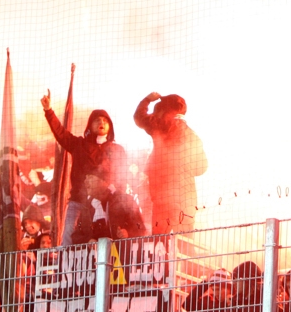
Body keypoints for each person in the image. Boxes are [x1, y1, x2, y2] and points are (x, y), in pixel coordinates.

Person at [42, 91, 126, 246]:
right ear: (90, 125)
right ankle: (65, 266)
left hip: (106, 203)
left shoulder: (117, 150)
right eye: (97, 120)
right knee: (69, 233)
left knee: (109, 235)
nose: (101, 122)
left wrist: (116, 196)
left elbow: (123, 176)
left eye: (105, 120)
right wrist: (49, 111)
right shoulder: (79, 145)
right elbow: (61, 134)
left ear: (110, 126)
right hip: (78, 202)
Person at [133, 92, 207, 234]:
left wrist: (147, 100)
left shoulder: (161, 125)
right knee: (184, 244)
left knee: (160, 242)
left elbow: (139, 118)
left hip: (163, 195)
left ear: (163, 110)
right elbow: (202, 167)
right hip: (187, 197)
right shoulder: (193, 136)